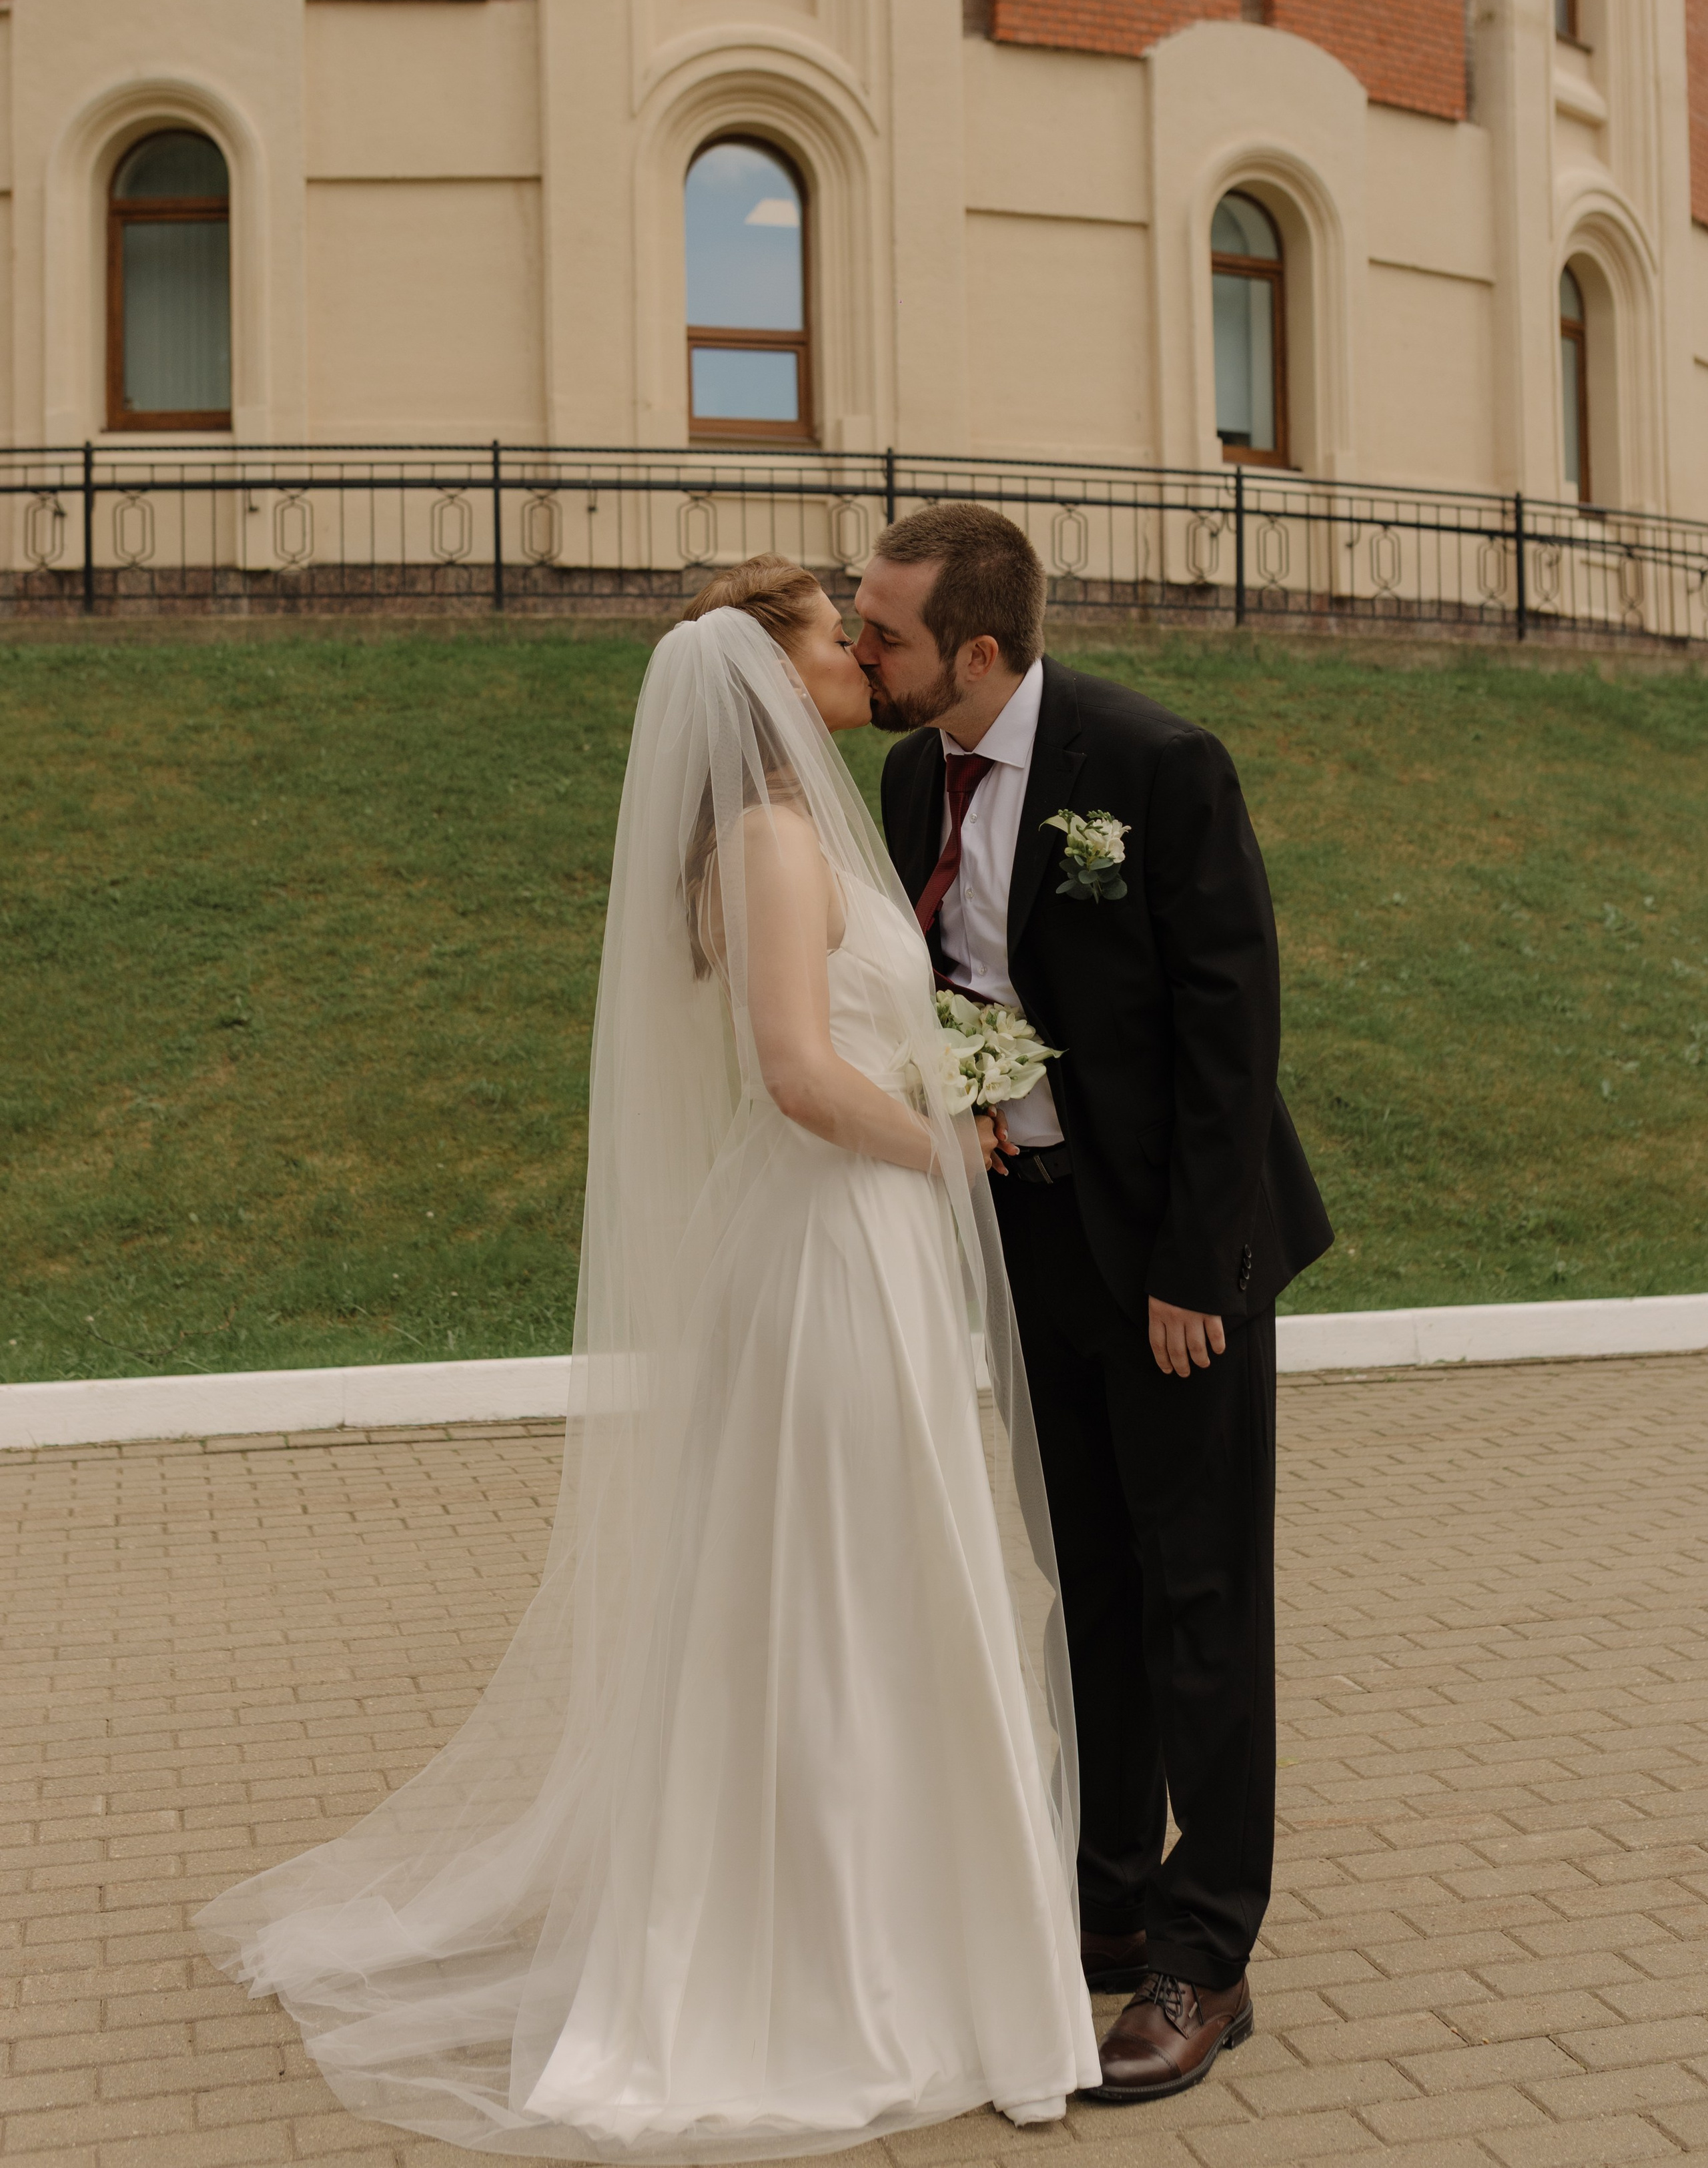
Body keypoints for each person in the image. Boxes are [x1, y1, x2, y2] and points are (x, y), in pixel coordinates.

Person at [195, 554, 1097, 2159]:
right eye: (835, 638)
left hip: (849, 1244)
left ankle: (914, 1941)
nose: (856, 657)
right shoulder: (763, 838)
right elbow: (796, 1075)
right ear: (767, 673)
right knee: (830, 1595)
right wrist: (943, 1146)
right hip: (830, 1246)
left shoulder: (801, 824)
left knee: (867, 1583)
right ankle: (828, 1970)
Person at [857, 506, 1332, 2106]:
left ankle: (1207, 1950)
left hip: (1172, 1257)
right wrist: (973, 1099)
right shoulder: (911, 776)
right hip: (1031, 1240)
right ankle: (1109, 1900)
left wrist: (1195, 1271)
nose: (862, 657)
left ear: (975, 653)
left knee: (1200, 1596)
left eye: (885, 636)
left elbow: (1228, 1027)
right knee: (1092, 1586)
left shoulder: (1154, 764)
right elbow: (956, 980)